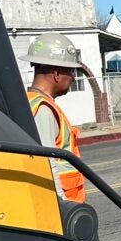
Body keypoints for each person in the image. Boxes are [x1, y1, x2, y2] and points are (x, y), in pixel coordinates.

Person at [26, 33, 87, 202]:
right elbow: (47, 164)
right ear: (57, 73)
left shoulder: (30, 102)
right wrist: (61, 207)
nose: (73, 77)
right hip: (64, 206)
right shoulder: (44, 110)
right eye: (71, 71)